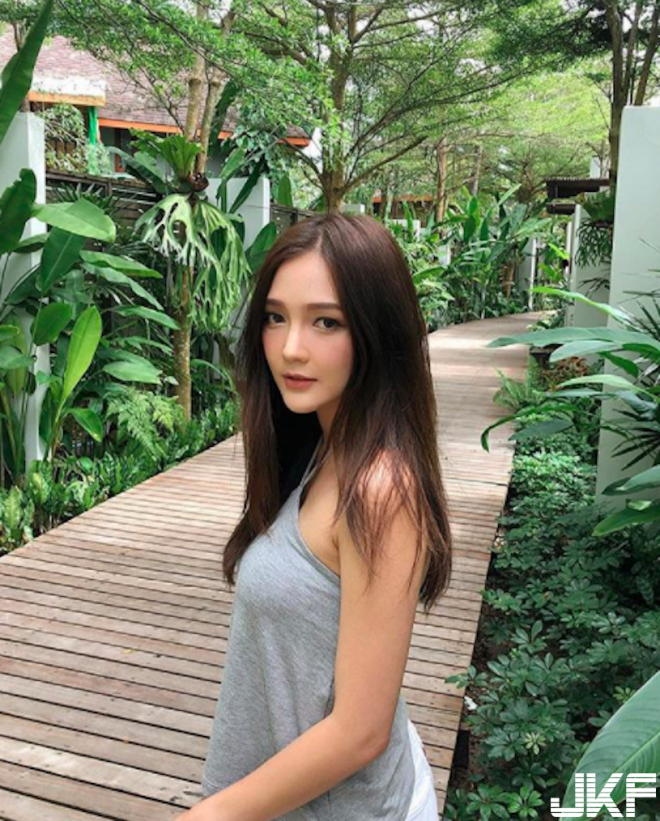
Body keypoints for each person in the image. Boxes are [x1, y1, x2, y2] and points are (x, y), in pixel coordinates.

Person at [175, 213, 452, 821]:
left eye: (326, 321)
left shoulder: (380, 490)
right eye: (276, 317)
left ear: (377, 333)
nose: (291, 348)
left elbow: (360, 732)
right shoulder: (323, 446)